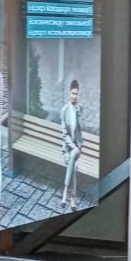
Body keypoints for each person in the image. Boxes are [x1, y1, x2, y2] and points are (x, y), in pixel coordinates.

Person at [60, 79, 83, 211]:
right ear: (69, 93)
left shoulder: (80, 109)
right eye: (73, 93)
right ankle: (72, 198)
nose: (74, 96)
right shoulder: (65, 110)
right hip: (68, 148)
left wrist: (78, 111)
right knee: (73, 166)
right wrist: (73, 147)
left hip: (77, 148)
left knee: (74, 157)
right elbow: (64, 133)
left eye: (76, 94)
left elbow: (82, 127)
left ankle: (64, 193)